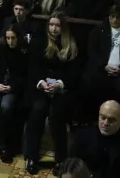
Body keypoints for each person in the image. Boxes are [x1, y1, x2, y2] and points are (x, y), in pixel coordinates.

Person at [24, 11, 81, 175]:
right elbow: (33, 67)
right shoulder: (40, 40)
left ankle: (61, 160)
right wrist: (41, 83)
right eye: (51, 24)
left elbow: (74, 72)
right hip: (41, 88)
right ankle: (32, 157)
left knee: (57, 116)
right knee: (37, 111)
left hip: (62, 90)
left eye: (57, 25)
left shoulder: (70, 43)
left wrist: (60, 84)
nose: (54, 28)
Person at [0, 25, 28, 162]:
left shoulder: (23, 53)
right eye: (8, 38)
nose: (10, 41)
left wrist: (11, 87)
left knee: (4, 106)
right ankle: (0, 143)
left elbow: (25, 77)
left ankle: (4, 144)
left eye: (13, 38)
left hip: (14, 89)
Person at [71, 100, 120, 178]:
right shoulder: (82, 137)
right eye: (103, 117)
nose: (105, 123)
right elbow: (70, 169)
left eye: (111, 120)